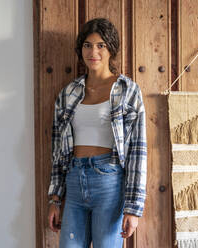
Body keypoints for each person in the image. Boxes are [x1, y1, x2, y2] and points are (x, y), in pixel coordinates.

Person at [47, 18, 147, 248]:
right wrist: (54, 198)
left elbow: (138, 151)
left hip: (109, 184)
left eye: (101, 45)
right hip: (74, 181)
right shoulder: (68, 93)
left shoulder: (127, 91)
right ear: (80, 49)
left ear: (111, 49)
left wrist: (133, 208)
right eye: (88, 45)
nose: (93, 52)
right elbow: (57, 153)